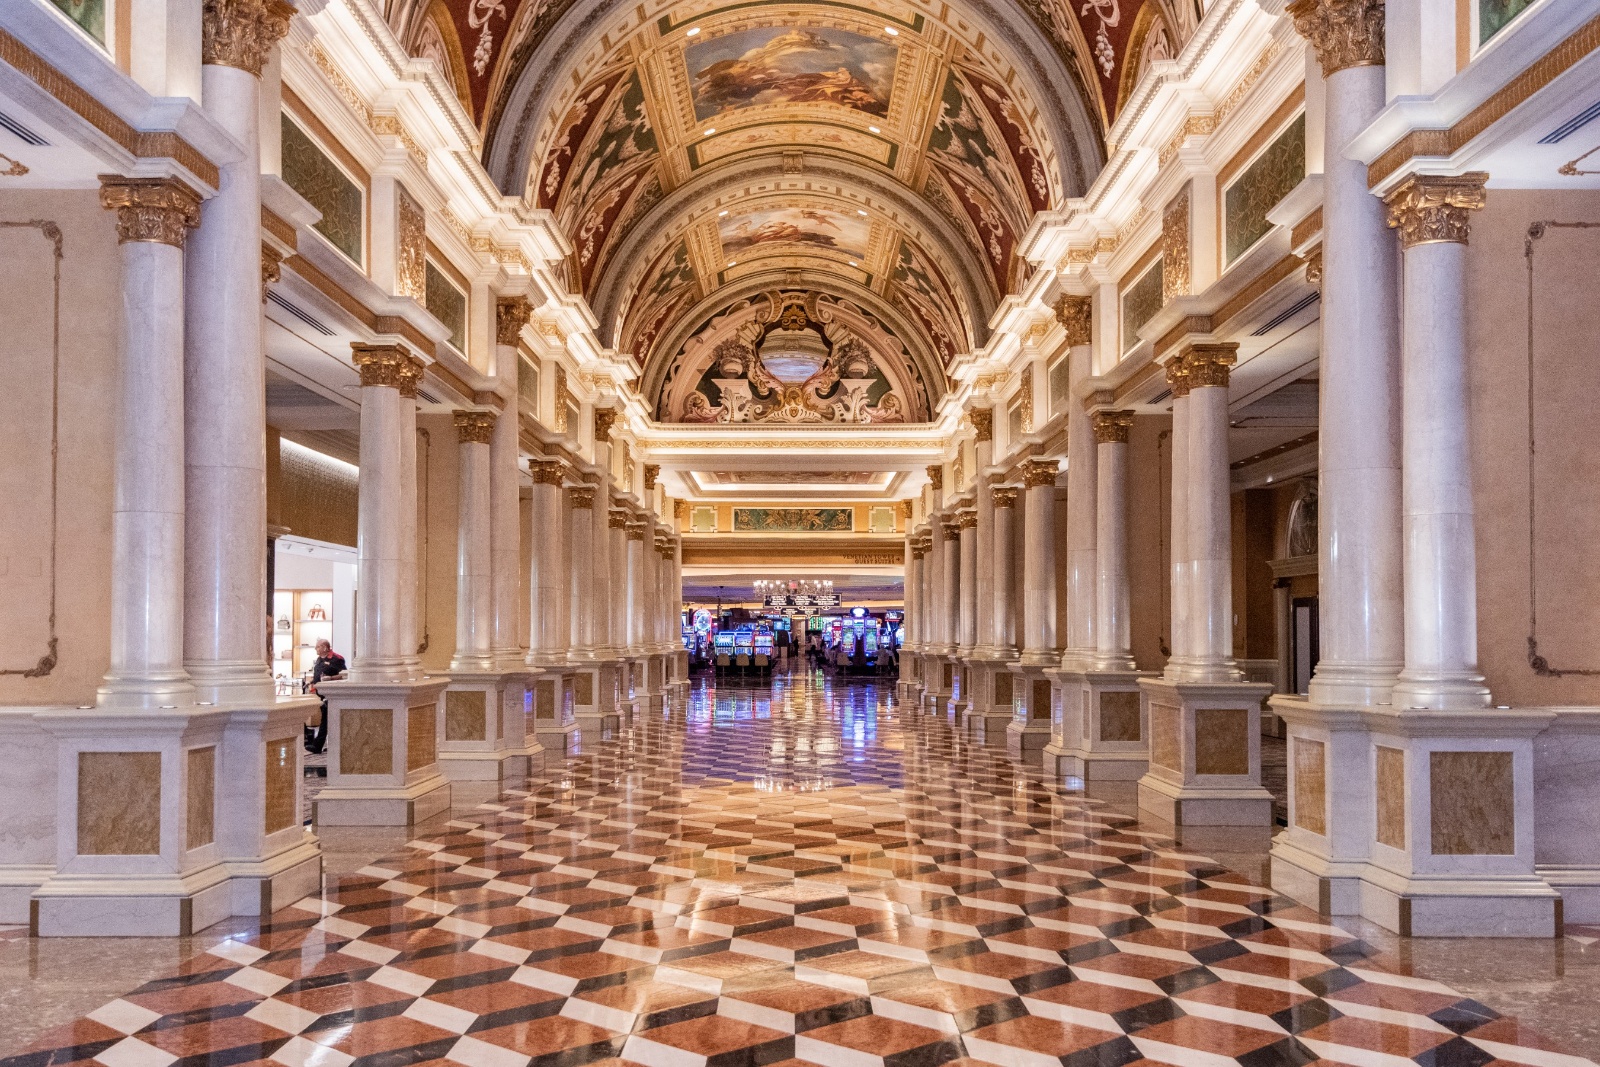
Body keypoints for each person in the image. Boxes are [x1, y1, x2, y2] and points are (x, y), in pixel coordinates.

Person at [304, 639, 347, 754]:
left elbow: (344, 675)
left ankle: (318, 745)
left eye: (318, 646)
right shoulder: (318, 660)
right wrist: (312, 682)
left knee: (326, 720)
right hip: (319, 693)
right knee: (326, 719)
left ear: (325, 647)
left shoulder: (337, 659)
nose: (315, 649)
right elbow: (318, 675)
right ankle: (322, 744)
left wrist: (331, 679)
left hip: (332, 694)